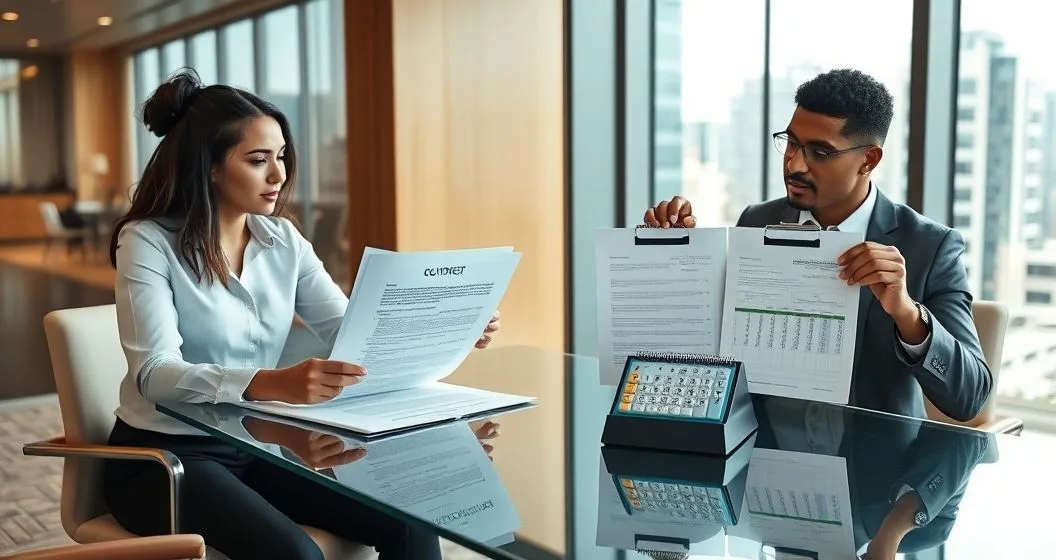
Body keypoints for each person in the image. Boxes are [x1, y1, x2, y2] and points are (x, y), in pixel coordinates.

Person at [103, 70, 499, 560]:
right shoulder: (146, 241)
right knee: (297, 554)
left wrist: (451, 324)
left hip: (255, 445)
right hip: (163, 460)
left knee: (409, 520)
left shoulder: (284, 240)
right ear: (208, 166)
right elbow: (154, 375)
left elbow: (352, 332)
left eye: (282, 157)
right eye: (258, 160)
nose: (279, 175)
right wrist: (275, 383)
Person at [645, 69, 990, 422]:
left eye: (820, 153)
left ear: (868, 160)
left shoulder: (930, 246)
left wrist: (906, 312)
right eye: (791, 142)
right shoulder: (756, 221)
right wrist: (679, 255)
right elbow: (720, 344)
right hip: (759, 453)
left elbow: (970, 397)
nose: (794, 164)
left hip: (874, 464)